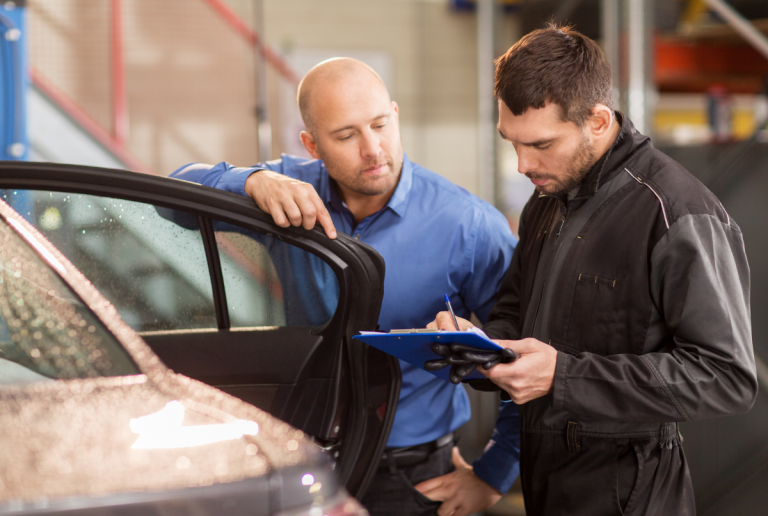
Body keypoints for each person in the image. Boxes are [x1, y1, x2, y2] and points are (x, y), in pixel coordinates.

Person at [429, 24, 758, 515]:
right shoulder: (548, 199)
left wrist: (562, 376)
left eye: (540, 144)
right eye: (511, 143)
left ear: (598, 121)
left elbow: (725, 376)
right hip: (549, 486)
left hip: (633, 495)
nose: (522, 164)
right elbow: (516, 315)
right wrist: (479, 347)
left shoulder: (676, 211)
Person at [171, 58, 520, 516]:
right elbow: (174, 200)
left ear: (395, 115)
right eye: (346, 135)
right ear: (312, 144)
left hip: (411, 476)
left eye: (380, 124)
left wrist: (494, 474)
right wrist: (251, 180)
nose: (373, 148)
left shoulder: (471, 227)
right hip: (301, 458)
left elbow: (523, 354)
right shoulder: (287, 193)